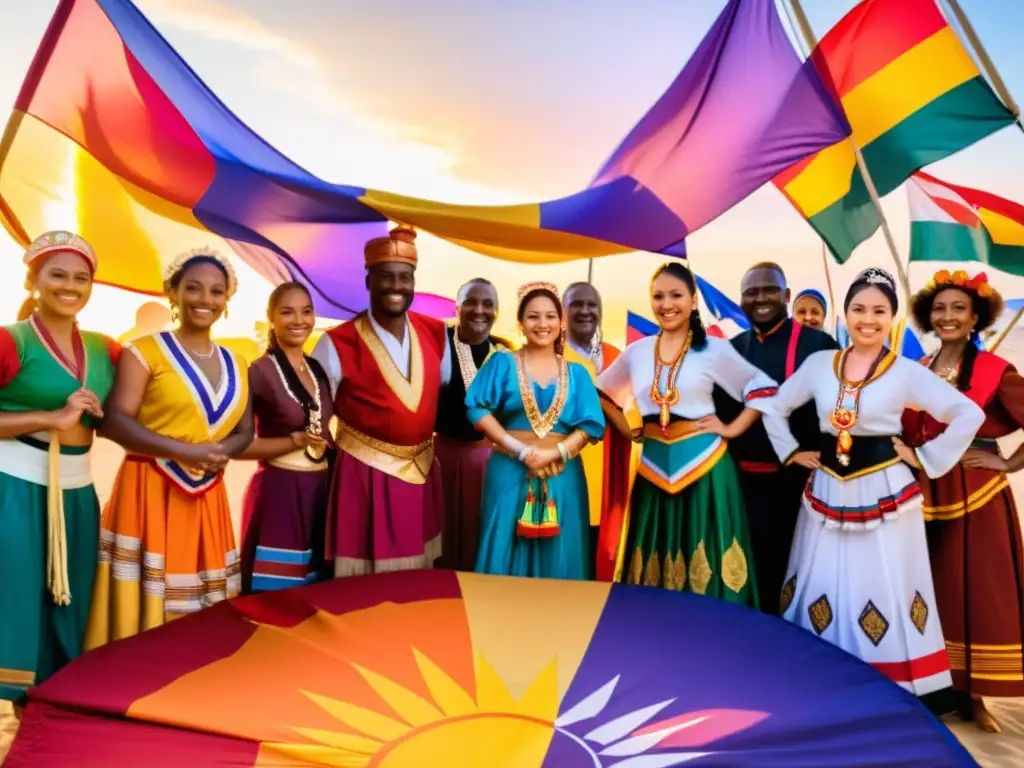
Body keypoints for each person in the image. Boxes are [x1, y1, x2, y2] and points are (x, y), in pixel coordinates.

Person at [757, 267, 984, 696]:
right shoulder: (820, 364)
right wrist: (790, 451)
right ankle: (819, 678)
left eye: (879, 310)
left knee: (881, 580)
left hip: (886, 494)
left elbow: (966, 413)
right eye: (858, 308)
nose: (868, 319)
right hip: (825, 491)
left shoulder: (906, 373)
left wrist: (923, 456)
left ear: (893, 318)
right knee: (823, 579)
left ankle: (892, 683)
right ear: (845, 314)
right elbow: (775, 408)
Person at [86, 247, 253, 646]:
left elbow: (246, 429)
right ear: (172, 293)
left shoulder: (237, 361)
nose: (205, 299)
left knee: (199, 607)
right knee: (144, 605)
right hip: (149, 487)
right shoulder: (144, 352)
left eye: (216, 291)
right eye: (193, 288)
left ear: (227, 300)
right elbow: (114, 421)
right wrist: (185, 451)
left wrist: (223, 451)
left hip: (205, 493)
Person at [597, 262, 785, 605]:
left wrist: (729, 428)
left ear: (693, 300)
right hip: (653, 469)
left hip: (705, 469)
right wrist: (629, 429)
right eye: (658, 296)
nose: (666, 304)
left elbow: (763, 390)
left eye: (676, 295)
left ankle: (713, 641)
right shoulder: (637, 352)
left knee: (707, 565)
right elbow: (603, 394)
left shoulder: (713, 349)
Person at [903, 269, 1024, 731]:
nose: (947, 316)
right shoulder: (916, 370)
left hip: (977, 497)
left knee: (971, 591)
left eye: (958, 308)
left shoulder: (996, 371)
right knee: (930, 590)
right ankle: (934, 688)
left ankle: (974, 698)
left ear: (976, 316)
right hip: (924, 495)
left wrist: (1008, 464)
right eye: (939, 308)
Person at [0, 232, 118, 703]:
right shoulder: (12, 342)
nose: (70, 286)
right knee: (17, 597)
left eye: (81, 278)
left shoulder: (106, 348)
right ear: (33, 280)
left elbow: (129, 415)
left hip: (77, 489)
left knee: (71, 601)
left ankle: (53, 705)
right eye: (57, 275)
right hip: (15, 487)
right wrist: (52, 417)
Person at [312, 226, 449, 575]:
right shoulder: (336, 343)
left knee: (418, 581)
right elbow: (313, 409)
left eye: (405, 278)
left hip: (422, 472)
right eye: (386, 277)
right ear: (369, 280)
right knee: (365, 587)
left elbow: (444, 390)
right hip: (363, 476)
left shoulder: (436, 334)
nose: (397, 286)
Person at [713, 263, 837, 612]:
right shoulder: (731, 350)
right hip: (744, 486)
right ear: (741, 301)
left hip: (803, 486)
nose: (761, 298)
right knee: (753, 576)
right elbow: (716, 413)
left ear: (785, 296)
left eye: (769, 290)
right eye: (751, 292)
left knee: (802, 578)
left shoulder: (819, 345)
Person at [467, 282, 605, 579]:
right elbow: (477, 410)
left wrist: (556, 452)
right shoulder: (501, 363)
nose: (542, 324)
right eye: (533, 316)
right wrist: (522, 451)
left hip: (562, 472)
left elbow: (591, 427)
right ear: (520, 323)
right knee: (503, 543)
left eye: (550, 316)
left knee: (562, 552)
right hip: (509, 468)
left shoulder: (577, 373)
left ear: (561, 321)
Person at [238, 282, 333, 593]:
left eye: (306, 312)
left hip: (318, 492)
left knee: (313, 592)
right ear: (271, 318)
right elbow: (238, 445)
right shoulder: (258, 372)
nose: (298, 321)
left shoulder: (318, 369)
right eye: (287, 312)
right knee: (276, 593)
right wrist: (293, 442)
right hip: (280, 492)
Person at [434, 278, 511, 571]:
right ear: (457, 307)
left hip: (489, 462)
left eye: (487, 304)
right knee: (442, 538)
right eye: (470, 302)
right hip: (442, 460)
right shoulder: (439, 344)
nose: (479, 310)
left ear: (496, 311)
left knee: (483, 539)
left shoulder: (504, 356)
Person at [561, 282, 635, 579]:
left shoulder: (618, 357)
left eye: (592, 305)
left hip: (610, 474)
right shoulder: (550, 356)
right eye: (577, 304)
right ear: (562, 313)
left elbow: (633, 420)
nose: (586, 311)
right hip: (565, 473)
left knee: (602, 562)